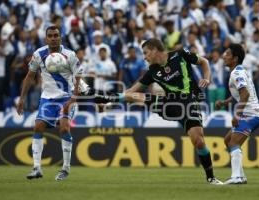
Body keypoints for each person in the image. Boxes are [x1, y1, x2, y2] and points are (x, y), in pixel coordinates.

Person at [89, 38, 223, 185]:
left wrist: (207, 78)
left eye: (146, 53)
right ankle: (103, 98)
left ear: (154, 50)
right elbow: (130, 92)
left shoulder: (180, 54)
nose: (145, 57)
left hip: (190, 103)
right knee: (135, 96)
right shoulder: (152, 72)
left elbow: (204, 61)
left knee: (199, 142)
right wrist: (108, 104)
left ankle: (211, 178)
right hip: (170, 105)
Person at [16, 26, 83, 181]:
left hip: (66, 97)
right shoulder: (39, 54)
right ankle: (37, 168)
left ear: (60, 37)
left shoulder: (69, 55)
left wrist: (74, 98)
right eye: (50, 35)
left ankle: (65, 169)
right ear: (46, 38)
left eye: (56, 35)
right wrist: (22, 98)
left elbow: (78, 77)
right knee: (38, 126)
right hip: (48, 98)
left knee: (64, 127)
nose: (53, 38)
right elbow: (29, 76)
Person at [215, 43, 259, 184]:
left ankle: (236, 177)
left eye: (227, 54)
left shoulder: (236, 73)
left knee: (234, 142)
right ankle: (240, 176)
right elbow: (239, 93)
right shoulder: (239, 71)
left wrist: (237, 115)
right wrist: (225, 102)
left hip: (250, 114)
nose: (224, 56)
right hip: (251, 113)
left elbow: (245, 94)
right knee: (228, 140)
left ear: (235, 58)